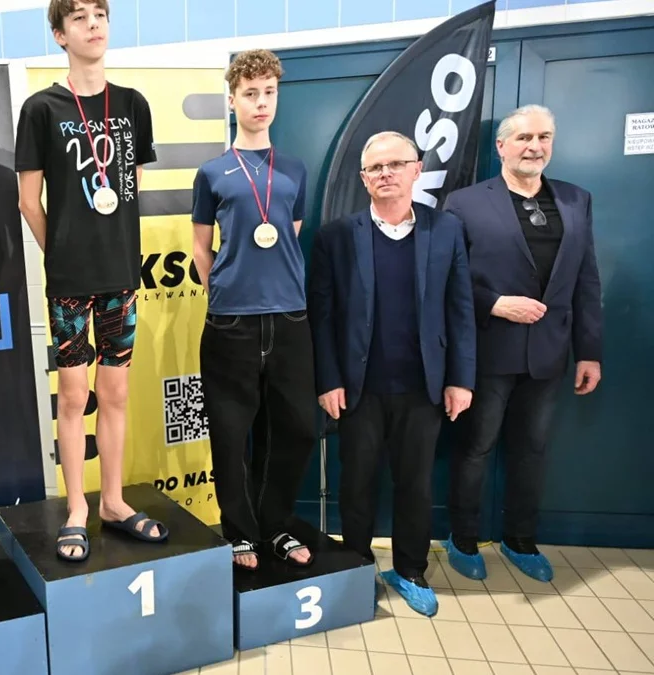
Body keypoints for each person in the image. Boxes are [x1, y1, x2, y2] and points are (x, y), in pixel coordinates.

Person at [16, 0, 164, 561]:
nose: (93, 24)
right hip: (70, 283)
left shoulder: (132, 104)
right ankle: (77, 506)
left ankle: (115, 501)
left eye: (100, 13)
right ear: (60, 34)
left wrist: (109, 247)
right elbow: (28, 200)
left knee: (117, 391)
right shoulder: (41, 108)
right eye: (78, 17)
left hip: (121, 275)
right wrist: (61, 255)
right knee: (75, 395)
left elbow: (130, 187)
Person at [308, 131, 475, 616]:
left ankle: (410, 570)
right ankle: (357, 567)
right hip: (358, 389)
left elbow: (461, 309)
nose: (386, 174)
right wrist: (328, 380)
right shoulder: (337, 237)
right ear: (363, 178)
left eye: (395, 164)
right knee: (357, 484)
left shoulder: (445, 230)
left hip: (424, 388)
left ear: (416, 169)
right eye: (375, 168)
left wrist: (461, 378)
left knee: (415, 485)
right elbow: (322, 316)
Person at [442, 105, 603, 583]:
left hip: (550, 353)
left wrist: (589, 351)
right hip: (488, 350)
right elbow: (445, 278)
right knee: (476, 448)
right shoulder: (465, 203)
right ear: (502, 146)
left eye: (544, 137)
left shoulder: (576, 200)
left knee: (532, 449)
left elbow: (586, 279)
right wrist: (494, 303)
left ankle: (520, 539)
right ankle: (463, 538)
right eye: (524, 138)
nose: (535, 146)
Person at [190, 49, 317, 572]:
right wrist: (225, 290)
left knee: (294, 428)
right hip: (232, 322)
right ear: (232, 100)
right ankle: (240, 531)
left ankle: (276, 525)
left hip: (289, 317)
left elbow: (288, 236)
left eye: (269, 92)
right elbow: (201, 248)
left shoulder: (294, 170)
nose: (261, 102)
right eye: (250, 93)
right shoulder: (212, 172)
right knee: (230, 431)